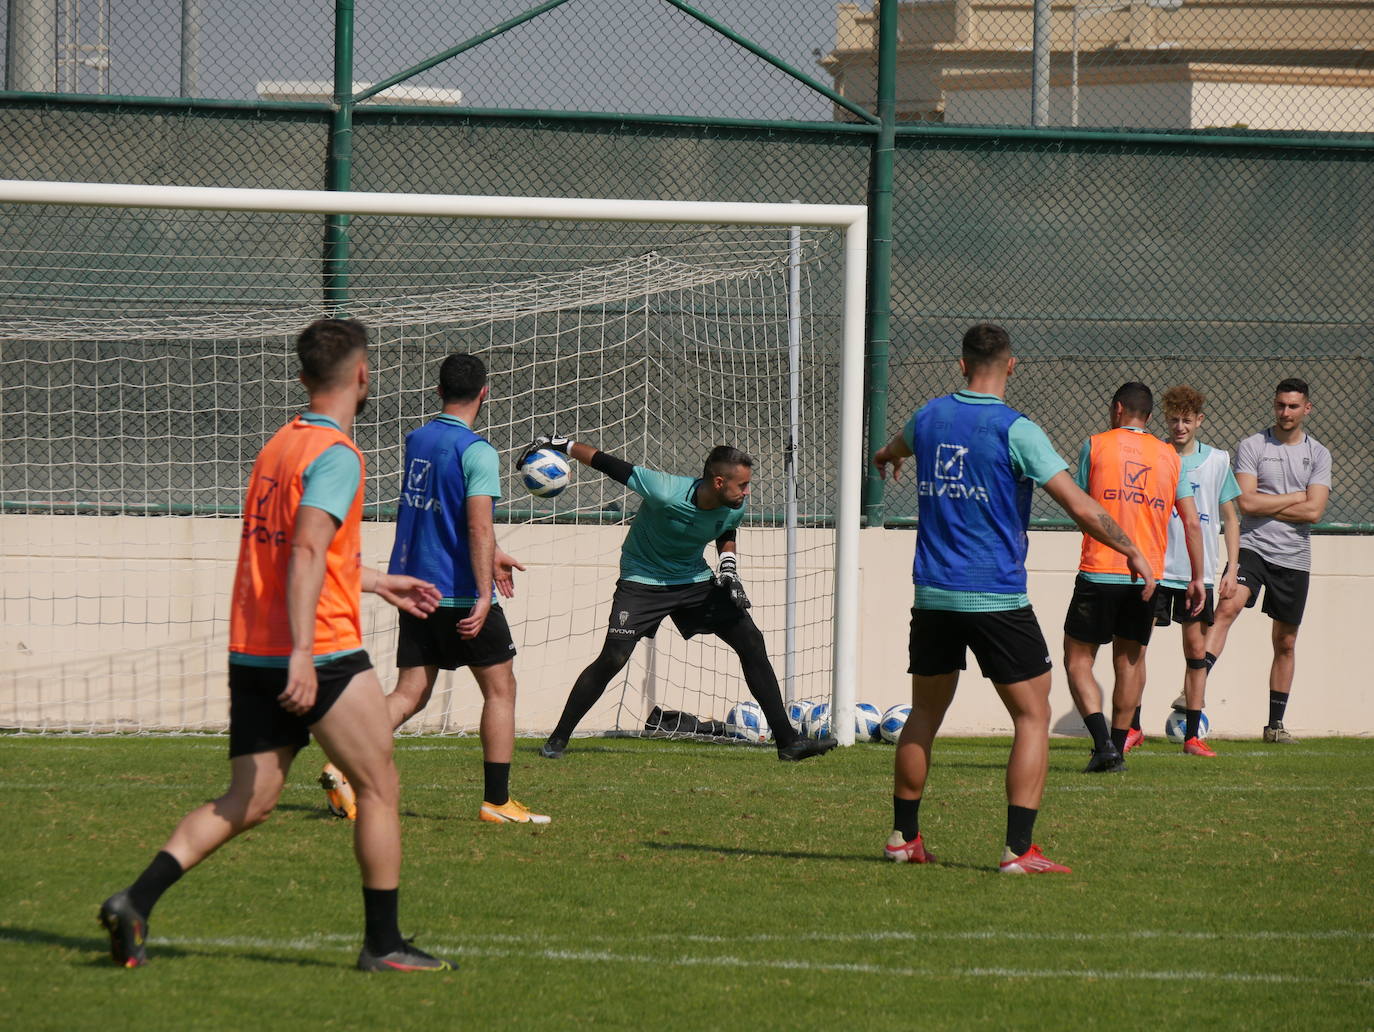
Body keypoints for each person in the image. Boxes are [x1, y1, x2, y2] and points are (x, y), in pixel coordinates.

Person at [98, 319, 454, 973]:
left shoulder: (280, 446)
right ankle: (383, 946)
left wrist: (374, 582)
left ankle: (134, 900)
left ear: (302, 380)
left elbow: (303, 550)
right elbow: (308, 548)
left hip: (252, 651)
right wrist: (302, 653)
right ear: (363, 375)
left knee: (251, 800)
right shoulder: (337, 455)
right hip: (316, 652)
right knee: (379, 787)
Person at [871, 324, 1155, 875]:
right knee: (1032, 714)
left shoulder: (928, 417)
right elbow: (1080, 505)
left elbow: (895, 446)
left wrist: (885, 457)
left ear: (960, 365)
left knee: (925, 712)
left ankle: (903, 838)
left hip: (932, 593)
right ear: (1012, 365)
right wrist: (1132, 551)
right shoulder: (1016, 430)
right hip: (995, 597)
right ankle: (1019, 850)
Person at [532, 437, 836, 761]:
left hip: (694, 580)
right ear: (719, 482)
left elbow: (725, 530)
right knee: (614, 658)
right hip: (641, 581)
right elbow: (606, 463)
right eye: (743, 485)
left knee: (751, 641)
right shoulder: (664, 490)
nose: (747, 492)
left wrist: (728, 569)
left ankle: (788, 742)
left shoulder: (734, 503)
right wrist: (559, 444)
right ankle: (557, 740)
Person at [371, 353, 547, 824]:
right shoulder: (479, 451)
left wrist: (496, 552)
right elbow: (474, 527)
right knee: (501, 689)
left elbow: (446, 513)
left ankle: (344, 769)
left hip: (414, 586)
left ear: (438, 392)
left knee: (410, 692)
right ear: (485, 394)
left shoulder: (418, 439)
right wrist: (485, 589)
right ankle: (497, 801)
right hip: (459, 592)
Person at [1064, 382, 1205, 774]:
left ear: (1118, 408)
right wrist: (1197, 577)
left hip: (1100, 569)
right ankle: (1119, 749)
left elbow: (1080, 505)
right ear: (1147, 415)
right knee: (1129, 662)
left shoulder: (1096, 444)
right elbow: (1192, 522)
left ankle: (1102, 743)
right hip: (1148, 578)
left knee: (1077, 660)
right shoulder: (1169, 456)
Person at [1202, 378, 1331, 743]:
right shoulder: (1252, 445)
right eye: (1280, 405)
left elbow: (1316, 512)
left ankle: (1274, 726)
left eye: (1293, 406)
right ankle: (1192, 694)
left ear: (1306, 409)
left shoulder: (1319, 454)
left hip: (1294, 557)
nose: (1285, 412)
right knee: (1227, 608)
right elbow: (1247, 504)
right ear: (1274, 406)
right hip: (1253, 547)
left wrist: (1269, 504)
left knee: (1286, 642)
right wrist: (1295, 496)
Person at [1131, 385, 1240, 758]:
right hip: (1157, 570)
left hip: (1198, 574)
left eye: (1187, 420)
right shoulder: (1155, 456)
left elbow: (1230, 518)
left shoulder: (1217, 461)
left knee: (1195, 652)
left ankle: (1192, 736)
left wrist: (1231, 567)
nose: (1180, 426)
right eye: (1174, 419)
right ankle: (1132, 727)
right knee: (1137, 648)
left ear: (1199, 421)